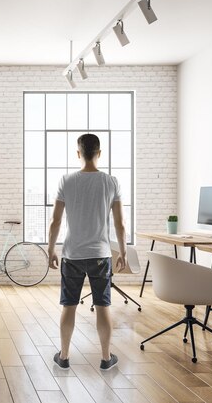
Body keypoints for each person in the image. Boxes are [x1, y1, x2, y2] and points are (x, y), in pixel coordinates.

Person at [47, 133, 126, 371]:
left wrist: (50, 249)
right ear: (99, 153)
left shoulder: (67, 181)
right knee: (103, 306)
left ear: (78, 153)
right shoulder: (111, 182)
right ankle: (105, 358)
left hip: (72, 255)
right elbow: (120, 223)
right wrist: (122, 251)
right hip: (101, 255)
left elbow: (55, 221)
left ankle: (64, 356)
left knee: (68, 306)